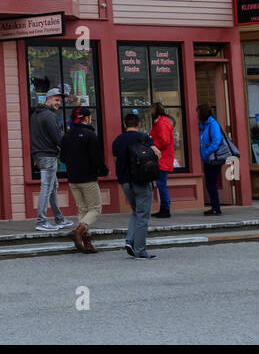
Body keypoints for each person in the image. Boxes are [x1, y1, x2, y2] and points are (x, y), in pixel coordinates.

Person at [112, 111, 162, 259]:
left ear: (124, 124)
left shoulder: (118, 140)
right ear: (139, 124)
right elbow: (157, 154)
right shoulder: (144, 138)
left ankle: (130, 240)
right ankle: (139, 249)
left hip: (125, 182)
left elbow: (116, 159)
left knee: (136, 212)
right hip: (141, 180)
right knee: (143, 216)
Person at [60, 107, 107, 253]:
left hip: (73, 178)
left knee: (83, 209)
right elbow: (97, 158)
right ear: (86, 118)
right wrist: (103, 171)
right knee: (95, 209)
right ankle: (79, 231)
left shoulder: (66, 136)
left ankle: (87, 243)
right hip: (88, 177)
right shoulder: (90, 135)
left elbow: (62, 158)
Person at [29, 86, 72, 232]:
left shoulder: (35, 115)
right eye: (56, 100)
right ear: (48, 99)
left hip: (39, 155)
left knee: (52, 187)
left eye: (60, 100)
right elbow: (57, 138)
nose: (59, 103)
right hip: (48, 155)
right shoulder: (49, 116)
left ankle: (59, 219)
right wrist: (67, 147)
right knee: (47, 187)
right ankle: (41, 221)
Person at [198, 104, 226, 216]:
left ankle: (216, 208)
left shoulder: (212, 124)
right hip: (207, 159)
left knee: (211, 184)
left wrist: (206, 152)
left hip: (213, 159)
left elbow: (216, 141)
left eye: (198, 112)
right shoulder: (204, 125)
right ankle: (215, 207)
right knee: (210, 184)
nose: (197, 115)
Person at [150, 103, 175, 218]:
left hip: (162, 158)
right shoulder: (162, 122)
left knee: (161, 184)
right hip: (163, 157)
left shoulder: (162, 123)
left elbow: (164, 141)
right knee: (161, 184)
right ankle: (164, 208)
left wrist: (151, 146)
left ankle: (165, 209)